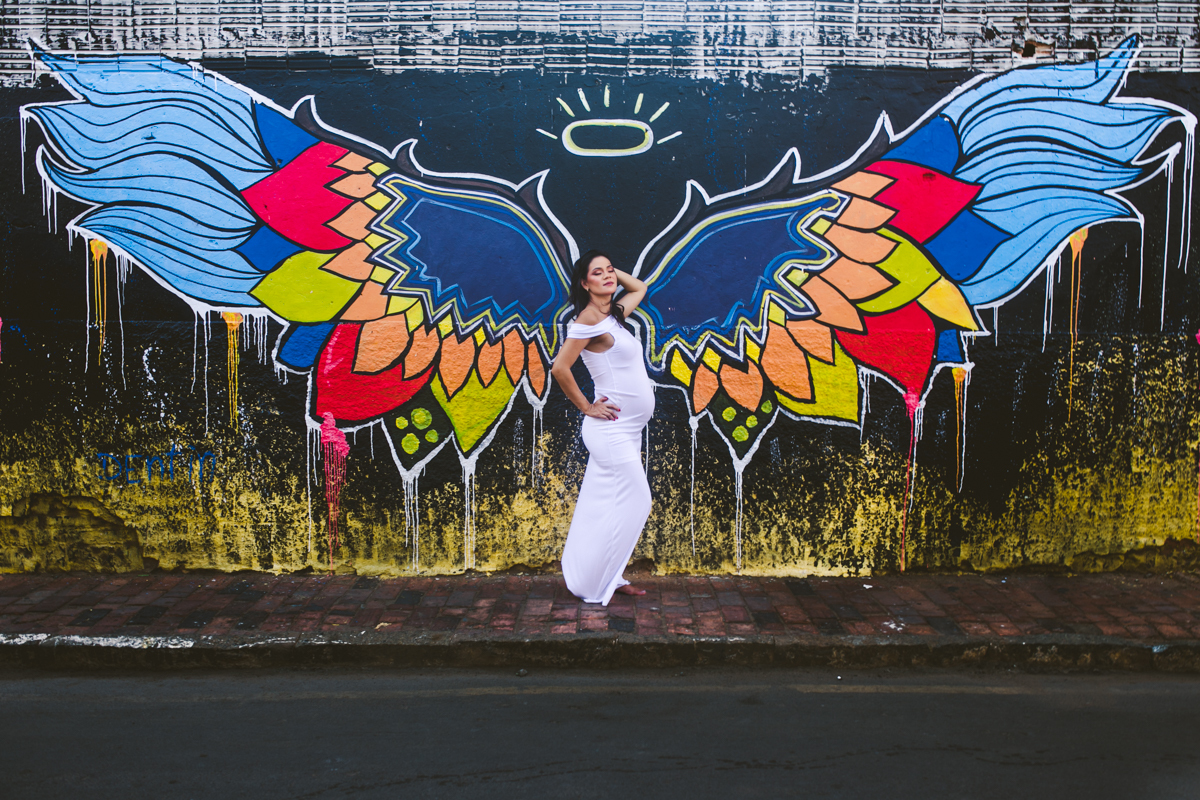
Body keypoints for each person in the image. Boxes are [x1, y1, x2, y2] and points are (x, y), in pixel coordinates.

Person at [550, 250, 655, 605]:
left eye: (610, 270)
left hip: (626, 431)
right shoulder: (588, 320)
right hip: (611, 432)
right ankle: (597, 584)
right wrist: (587, 406)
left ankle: (607, 577)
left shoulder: (613, 316)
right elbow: (560, 368)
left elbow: (639, 287)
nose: (609, 276)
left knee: (602, 508)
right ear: (584, 283)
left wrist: (608, 270)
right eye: (598, 273)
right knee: (639, 500)